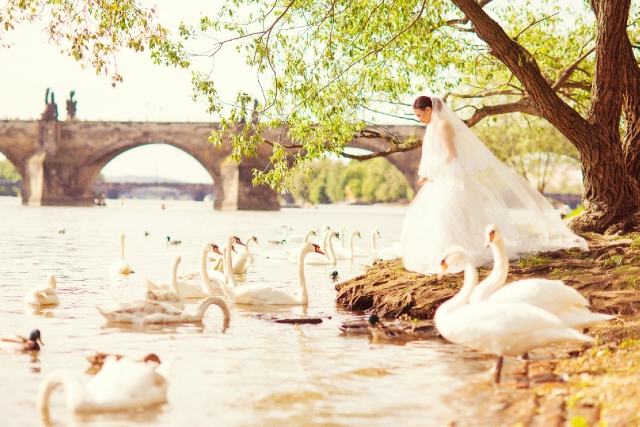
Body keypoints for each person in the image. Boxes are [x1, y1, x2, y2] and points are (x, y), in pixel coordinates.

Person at [401, 96, 587, 274]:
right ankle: (446, 252)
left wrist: (435, 171)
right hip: (439, 178)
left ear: (428, 109)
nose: (419, 119)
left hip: (450, 177)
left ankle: (460, 251)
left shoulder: (443, 125)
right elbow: (434, 154)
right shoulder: (431, 127)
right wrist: (426, 174)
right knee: (440, 215)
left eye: (419, 115)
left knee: (451, 212)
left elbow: (452, 154)